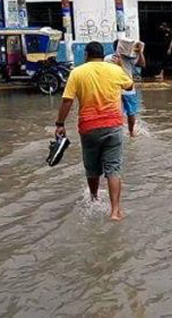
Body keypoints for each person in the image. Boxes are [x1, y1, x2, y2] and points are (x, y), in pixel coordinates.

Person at [54, 41, 133, 221]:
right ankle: (115, 211)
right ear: (102, 54)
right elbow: (129, 86)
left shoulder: (77, 73)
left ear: (87, 54)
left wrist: (60, 124)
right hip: (113, 126)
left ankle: (94, 198)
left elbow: (67, 101)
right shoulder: (114, 70)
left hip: (89, 128)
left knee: (92, 169)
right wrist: (121, 67)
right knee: (113, 169)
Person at [104, 39, 146, 137]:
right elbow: (142, 64)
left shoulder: (109, 58)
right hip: (124, 89)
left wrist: (140, 53)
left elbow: (142, 64)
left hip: (120, 89)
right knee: (127, 112)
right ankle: (128, 133)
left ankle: (123, 132)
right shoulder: (112, 59)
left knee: (125, 112)